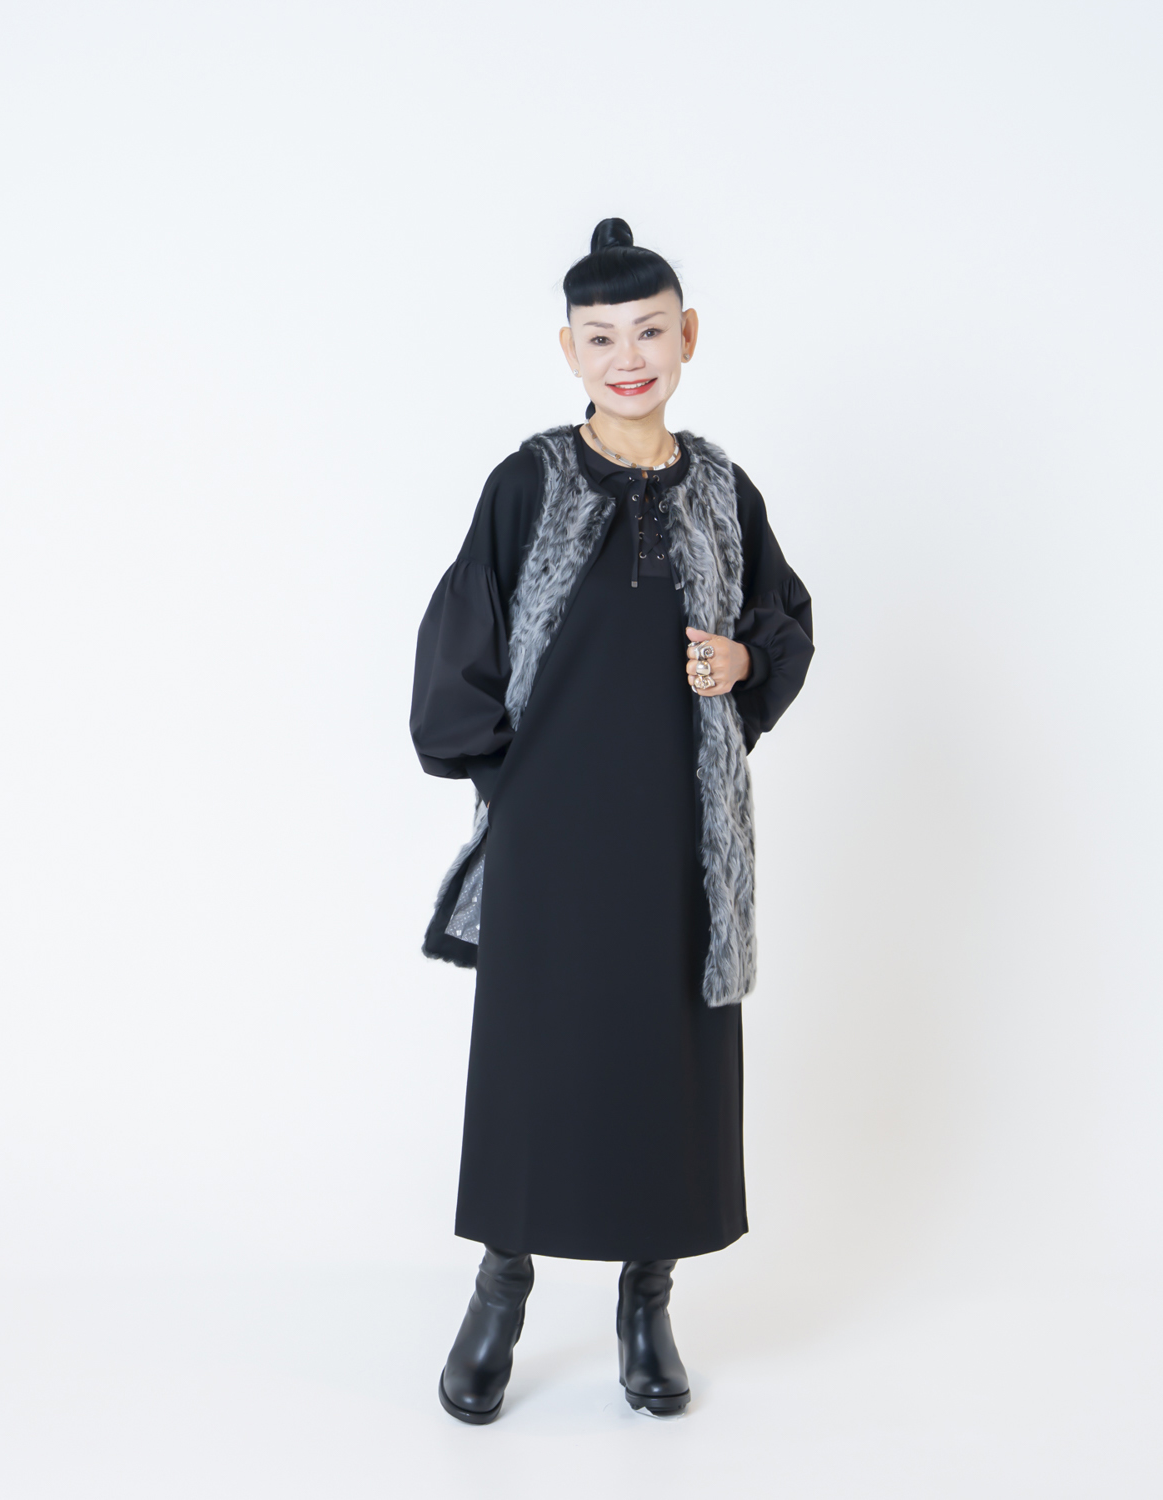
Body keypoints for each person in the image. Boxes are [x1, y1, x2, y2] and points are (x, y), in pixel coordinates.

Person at [410, 219, 814, 1423]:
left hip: (683, 839)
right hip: (551, 835)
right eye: (601, 339)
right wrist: (510, 787)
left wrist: (743, 659)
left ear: (686, 336)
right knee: (533, 1066)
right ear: (569, 351)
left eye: (648, 333)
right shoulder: (529, 482)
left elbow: (782, 623)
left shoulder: (725, 491)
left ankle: (649, 1300)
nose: (627, 358)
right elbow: (460, 642)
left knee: (666, 1069)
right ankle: (501, 1291)